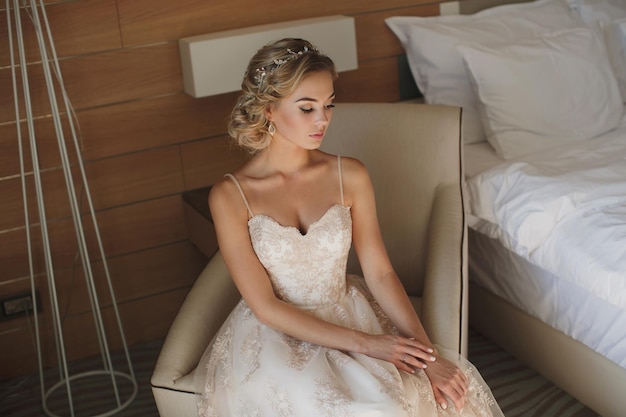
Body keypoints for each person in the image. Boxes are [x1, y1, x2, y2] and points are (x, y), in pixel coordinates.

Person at [195, 38, 504, 417]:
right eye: (307, 108)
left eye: (328, 105)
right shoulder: (230, 195)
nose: (323, 120)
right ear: (268, 109)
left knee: (391, 402)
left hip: (349, 310)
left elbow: (380, 272)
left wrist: (429, 357)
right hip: (277, 335)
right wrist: (369, 345)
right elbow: (264, 306)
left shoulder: (350, 174)